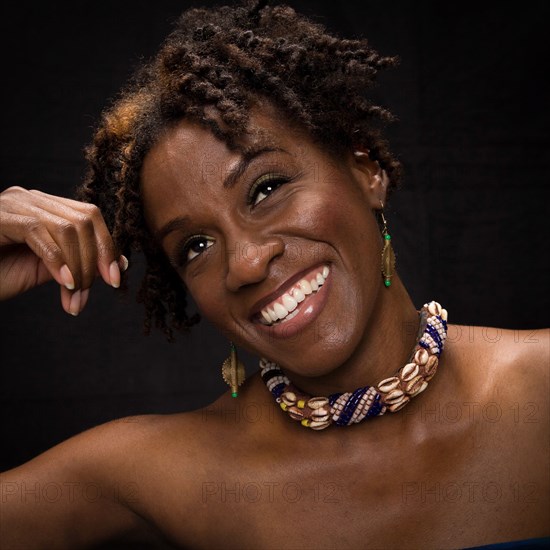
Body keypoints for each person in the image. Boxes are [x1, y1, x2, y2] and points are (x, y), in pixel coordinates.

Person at [1, 1, 548, 548]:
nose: (244, 262)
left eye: (265, 189)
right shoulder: (168, 474)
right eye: (196, 246)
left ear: (365, 171)